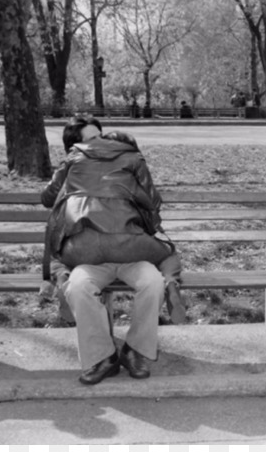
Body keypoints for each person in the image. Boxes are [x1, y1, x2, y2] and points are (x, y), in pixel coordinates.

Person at [41, 116, 185, 385]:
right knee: (80, 286)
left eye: (101, 136)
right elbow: (153, 204)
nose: (101, 143)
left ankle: (135, 351)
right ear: (78, 145)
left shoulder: (79, 158)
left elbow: (47, 199)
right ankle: (103, 358)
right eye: (93, 139)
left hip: (103, 249)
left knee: (151, 282)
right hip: (118, 246)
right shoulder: (126, 157)